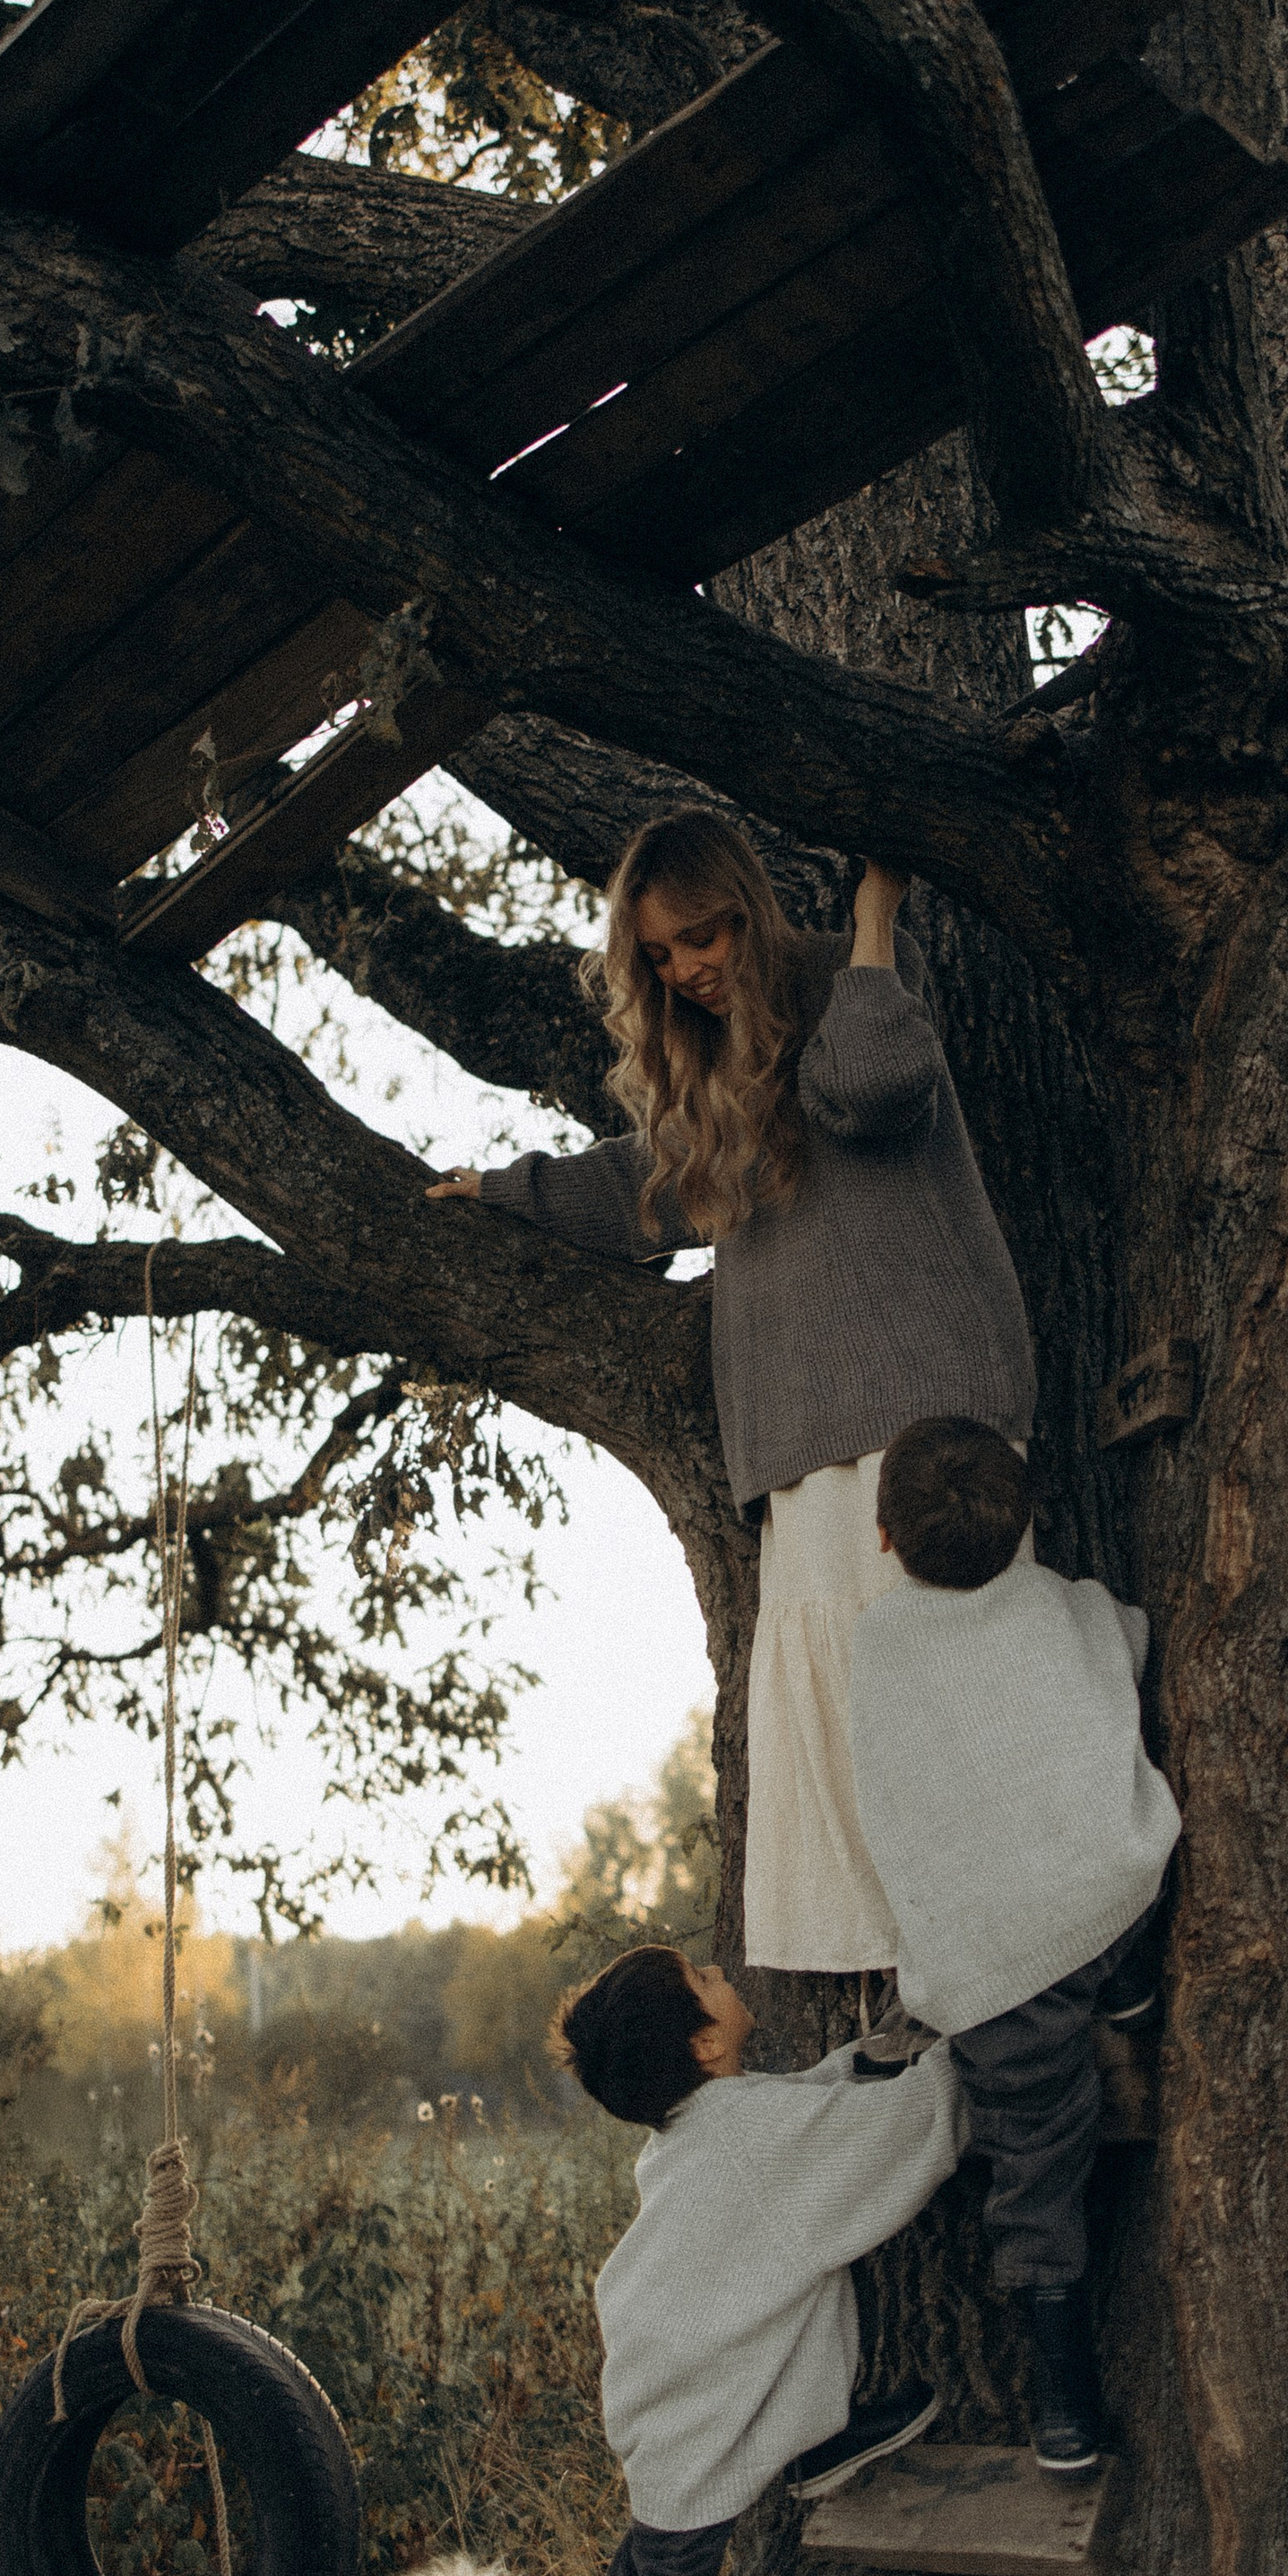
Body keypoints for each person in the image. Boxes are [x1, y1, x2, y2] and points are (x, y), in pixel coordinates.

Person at [428, 808, 1034, 1991]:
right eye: (659, 956)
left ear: (746, 909)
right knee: (846, 1752)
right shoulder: (709, 1065)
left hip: (924, 1417)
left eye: (702, 935)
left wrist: (872, 920)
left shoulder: (845, 982)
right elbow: (645, 1187)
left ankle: (1022, 1988)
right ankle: (921, 2008)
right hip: (801, 1447)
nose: (689, 969)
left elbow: (876, 1086)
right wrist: (505, 1190)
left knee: (956, 1726)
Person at [473, 1941, 965, 2576]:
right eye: (704, 1981)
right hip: (690, 2415)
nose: (722, 1976)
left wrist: (858, 2066)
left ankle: (814, 2437)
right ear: (703, 2044)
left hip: (679, 2383)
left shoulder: (713, 2125)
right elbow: (874, 2141)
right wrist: (960, 2068)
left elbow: (804, 2118)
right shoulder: (743, 2135)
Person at [846, 1416, 1182, 2478]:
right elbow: (1125, 1642)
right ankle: (1128, 1994)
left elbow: (891, 1790)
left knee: (1035, 2171)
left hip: (1000, 1969)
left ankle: (1066, 2411)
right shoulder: (1062, 1605)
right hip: (1103, 1900)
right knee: (1117, 1877)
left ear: (886, 1540)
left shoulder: (877, 1643)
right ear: (1026, 1519)